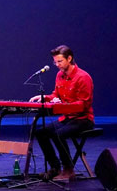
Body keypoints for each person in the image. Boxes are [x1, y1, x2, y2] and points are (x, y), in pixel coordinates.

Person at [29, 45, 94, 181]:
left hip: (82, 120)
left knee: (58, 134)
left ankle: (68, 169)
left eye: (60, 61)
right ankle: (55, 167)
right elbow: (56, 95)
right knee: (41, 133)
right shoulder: (60, 75)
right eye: (55, 62)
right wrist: (44, 98)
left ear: (69, 58)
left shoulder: (83, 77)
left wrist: (63, 105)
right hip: (67, 118)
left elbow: (83, 105)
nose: (57, 65)